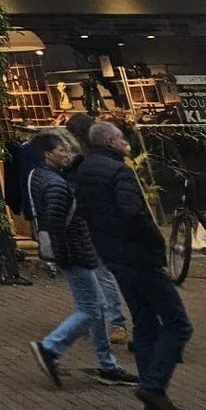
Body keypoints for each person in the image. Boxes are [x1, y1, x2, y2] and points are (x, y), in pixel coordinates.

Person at [74, 120, 195, 410]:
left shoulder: (85, 170)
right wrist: (153, 242)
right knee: (178, 323)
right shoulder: (119, 171)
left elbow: (84, 212)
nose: (126, 142)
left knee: (143, 321)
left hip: (114, 258)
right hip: (139, 256)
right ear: (112, 141)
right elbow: (132, 212)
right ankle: (153, 387)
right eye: (121, 138)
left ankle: (155, 401)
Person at [26, 131, 136, 389]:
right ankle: (50, 347)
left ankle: (107, 365)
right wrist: (64, 256)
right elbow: (56, 223)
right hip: (76, 252)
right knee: (90, 308)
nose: (66, 154)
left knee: (95, 309)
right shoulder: (55, 184)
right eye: (61, 150)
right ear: (48, 155)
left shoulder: (39, 176)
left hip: (76, 250)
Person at [64, 112, 130, 339]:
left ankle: (114, 321)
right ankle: (113, 320)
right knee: (108, 271)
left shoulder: (85, 162)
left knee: (102, 272)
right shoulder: (110, 159)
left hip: (95, 222)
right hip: (107, 221)